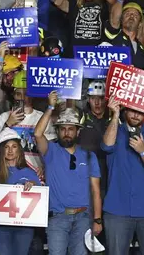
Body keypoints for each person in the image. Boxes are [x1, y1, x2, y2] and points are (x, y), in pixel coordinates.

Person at [35, 93, 102, 255]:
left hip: (83, 217)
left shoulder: (89, 156)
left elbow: (96, 190)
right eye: (62, 129)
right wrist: (50, 107)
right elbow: (37, 134)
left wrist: (97, 220)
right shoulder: (51, 151)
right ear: (57, 131)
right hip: (58, 218)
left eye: (71, 129)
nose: (66, 132)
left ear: (78, 132)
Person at [101, 96, 144, 254]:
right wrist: (115, 115)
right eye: (132, 111)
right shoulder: (114, 131)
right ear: (125, 110)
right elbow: (106, 146)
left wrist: (143, 151)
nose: (136, 115)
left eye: (140, 112)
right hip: (117, 210)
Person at [0, 128, 40, 255]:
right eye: (6, 147)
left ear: (19, 149)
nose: (10, 150)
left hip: (24, 228)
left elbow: (40, 200)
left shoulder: (30, 173)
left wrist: (34, 186)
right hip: (0, 229)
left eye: (14, 146)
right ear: (1, 150)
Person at [0, 69, 56, 171]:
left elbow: (51, 150)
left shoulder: (42, 117)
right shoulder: (4, 117)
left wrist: (44, 167)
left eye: (26, 93)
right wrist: (8, 124)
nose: (23, 98)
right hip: (10, 172)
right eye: (19, 93)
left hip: (36, 173)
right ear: (13, 95)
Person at [106, 0, 144, 69]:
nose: (131, 16)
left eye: (136, 15)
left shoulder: (141, 48)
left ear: (140, 24)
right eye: (127, 14)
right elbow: (114, 20)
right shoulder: (113, 35)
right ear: (121, 20)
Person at [0, 42, 24, 115]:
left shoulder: (31, 89)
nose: (8, 78)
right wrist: (1, 56)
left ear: (21, 70)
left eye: (12, 72)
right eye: (4, 75)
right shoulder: (1, 96)